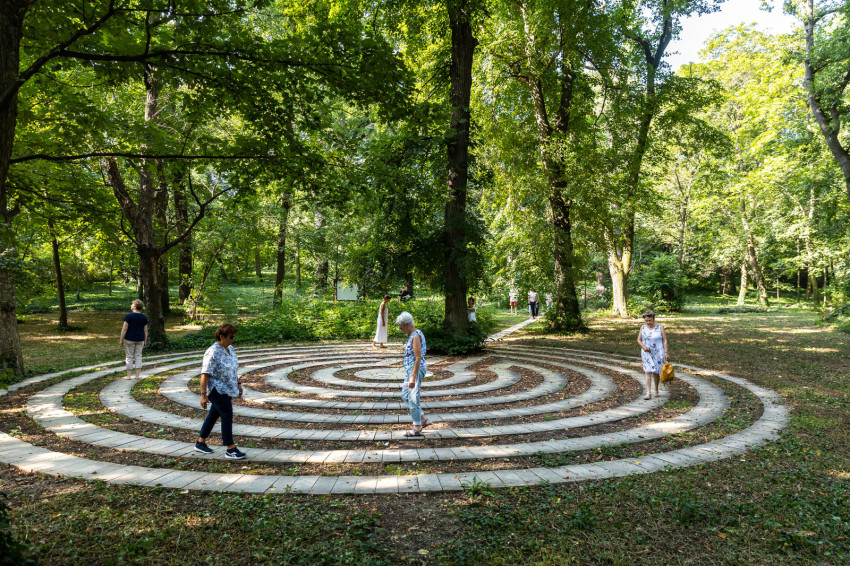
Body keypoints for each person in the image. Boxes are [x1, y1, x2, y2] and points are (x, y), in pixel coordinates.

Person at [195, 323, 247, 459]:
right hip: (216, 390)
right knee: (227, 415)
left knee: (213, 415)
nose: (233, 339)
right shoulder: (212, 352)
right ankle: (230, 448)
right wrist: (203, 395)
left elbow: (233, 368)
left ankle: (200, 442)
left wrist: (238, 384)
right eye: (231, 337)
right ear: (222, 336)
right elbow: (205, 374)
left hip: (228, 388)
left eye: (234, 337)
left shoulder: (230, 348)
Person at [395, 311, 431, 438]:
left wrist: (412, 376)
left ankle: (417, 428)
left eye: (401, 326)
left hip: (414, 370)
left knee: (413, 398)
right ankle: (422, 419)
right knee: (405, 395)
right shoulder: (412, 335)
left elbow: (418, 357)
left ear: (407, 324)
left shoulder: (416, 335)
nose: (401, 329)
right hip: (410, 370)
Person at [636, 310, 669, 400]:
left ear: (654, 319)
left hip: (658, 352)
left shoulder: (660, 327)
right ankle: (648, 393)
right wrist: (643, 346)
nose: (648, 322)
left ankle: (656, 390)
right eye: (646, 321)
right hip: (647, 352)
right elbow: (638, 339)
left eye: (650, 320)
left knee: (656, 372)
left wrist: (666, 352)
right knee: (647, 371)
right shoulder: (643, 327)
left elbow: (664, 340)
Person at [119, 299, 148, 379]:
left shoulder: (128, 316)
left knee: (129, 356)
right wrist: (145, 340)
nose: (131, 305)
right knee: (138, 356)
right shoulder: (144, 317)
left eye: (132, 304)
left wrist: (121, 339)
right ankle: (137, 375)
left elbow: (124, 328)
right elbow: (145, 330)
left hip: (129, 339)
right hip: (140, 339)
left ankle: (129, 376)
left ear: (135, 306)